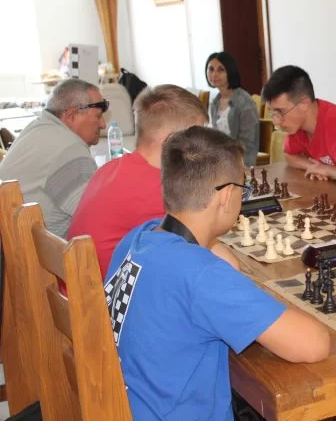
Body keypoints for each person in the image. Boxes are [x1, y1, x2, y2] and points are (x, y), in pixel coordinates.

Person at [104, 126, 330, 421]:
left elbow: (225, 264)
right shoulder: (201, 276)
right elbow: (314, 344)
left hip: (129, 407)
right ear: (226, 196)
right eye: (243, 190)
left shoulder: (137, 238)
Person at [68, 85, 210, 278]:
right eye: (198, 137)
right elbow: (202, 255)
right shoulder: (162, 190)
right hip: (103, 295)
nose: (203, 147)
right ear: (172, 140)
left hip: (78, 286)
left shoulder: (110, 168)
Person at [0, 79, 106, 237]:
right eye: (98, 116)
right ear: (71, 115)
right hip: (39, 250)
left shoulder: (37, 127)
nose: (103, 124)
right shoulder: (70, 149)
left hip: (11, 243)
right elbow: (99, 218)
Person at [262, 65, 336, 189]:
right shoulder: (297, 127)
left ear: (304, 104)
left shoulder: (335, 122)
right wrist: (312, 166)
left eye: (280, 112)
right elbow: (289, 155)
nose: (276, 121)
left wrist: (328, 170)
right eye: (272, 114)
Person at [206, 51, 260, 166]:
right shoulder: (215, 102)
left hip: (241, 161)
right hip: (222, 159)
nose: (214, 74)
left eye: (220, 70)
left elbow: (248, 143)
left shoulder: (244, 102)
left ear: (230, 72)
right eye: (211, 69)